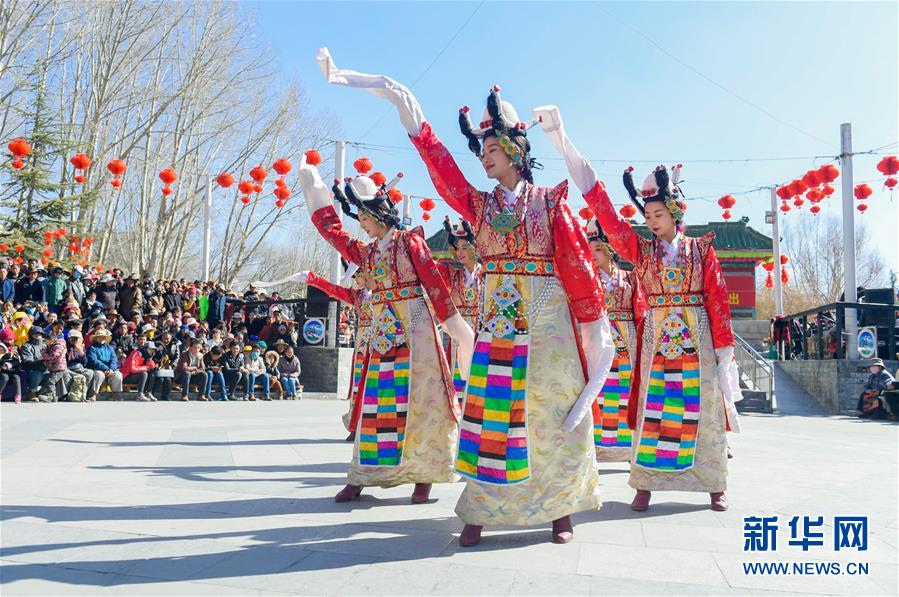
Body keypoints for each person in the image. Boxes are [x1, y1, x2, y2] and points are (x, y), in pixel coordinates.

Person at [319, 51, 612, 545]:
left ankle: (561, 509)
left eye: (492, 147)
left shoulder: (550, 204)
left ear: (517, 149)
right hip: (500, 327)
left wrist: (594, 332)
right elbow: (441, 170)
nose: (484, 156)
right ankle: (480, 508)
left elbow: (580, 271)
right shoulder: (477, 207)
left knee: (550, 412)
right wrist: (407, 112)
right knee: (495, 413)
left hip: (550, 325)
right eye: (481, 151)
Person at [532, 104, 743, 512]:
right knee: (655, 407)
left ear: (677, 213)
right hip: (656, 341)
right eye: (647, 215)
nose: (651, 221)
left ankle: (714, 484)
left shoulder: (702, 251)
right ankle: (644, 483)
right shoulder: (640, 252)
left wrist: (723, 354)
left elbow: (718, 303)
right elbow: (607, 214)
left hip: (696, 340)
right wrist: (564, 143)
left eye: (658, 214)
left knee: (704, 411)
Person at [298, 137, 475, 507]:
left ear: (379, 215)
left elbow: (436, 287)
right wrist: (315, 195)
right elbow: (335, 235)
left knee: (422, 403)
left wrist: (458, 331)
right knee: (378, 403)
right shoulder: (367, 252)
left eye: (364, 218)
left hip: (418, 331)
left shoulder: (411, 244)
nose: (360, 225)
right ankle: (363, 474)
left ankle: (423, 477)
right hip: (383, 334)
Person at [583, 220, 647, 462]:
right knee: (598, 389)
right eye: (590, 251)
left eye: (598, 249)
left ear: (610, 249)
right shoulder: (587, 281)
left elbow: (640, 310)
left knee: (626, 392)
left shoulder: (630, 278)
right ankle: (597, 447)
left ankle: (630, 447)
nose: (593, 255)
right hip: (598, 339)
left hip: (627, 340)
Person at [437, 217, 481, 402]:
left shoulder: (488, 274)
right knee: (457, 378)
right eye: (458, 248)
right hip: (458, 337)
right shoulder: (452, 274)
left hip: (482, 333)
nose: (460, 252)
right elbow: (430, 268)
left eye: (465, 247)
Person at [66, 330, 104, 402]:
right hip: (69, 368)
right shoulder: (66, 347)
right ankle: (67, 395)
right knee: (65, 374)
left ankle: (84, 393)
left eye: (75, 339)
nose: (73, 341)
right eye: (72, 339)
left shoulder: (82, 347)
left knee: (90, 372)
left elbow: (86, 362)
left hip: (80, 368)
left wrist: (81, 352)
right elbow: (67, 360)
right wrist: (72, 351)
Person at [120, 335, 156, 401]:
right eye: (150, 349)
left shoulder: (147, 356)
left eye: (153, 349)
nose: (152, 351)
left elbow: (150, 367)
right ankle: (140, 395)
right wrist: (146, 368)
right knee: (144, 373)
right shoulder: (136, 353)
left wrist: (150, 363)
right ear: (145, 349)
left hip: (135, 375)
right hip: (126, 376)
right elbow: (133, 369)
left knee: (152, 373)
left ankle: (148, 393)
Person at [20, 327, 47, 400]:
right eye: (35, 334)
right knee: (38, 374)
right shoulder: (27, 346)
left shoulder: (45, 345)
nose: (38, 336)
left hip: (46, 368)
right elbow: (28, 362)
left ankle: (42, 393)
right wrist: (42, 362)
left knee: (57, 373)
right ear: (31, 335)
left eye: (40, 334)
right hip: (31, 370)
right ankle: (32, 393)